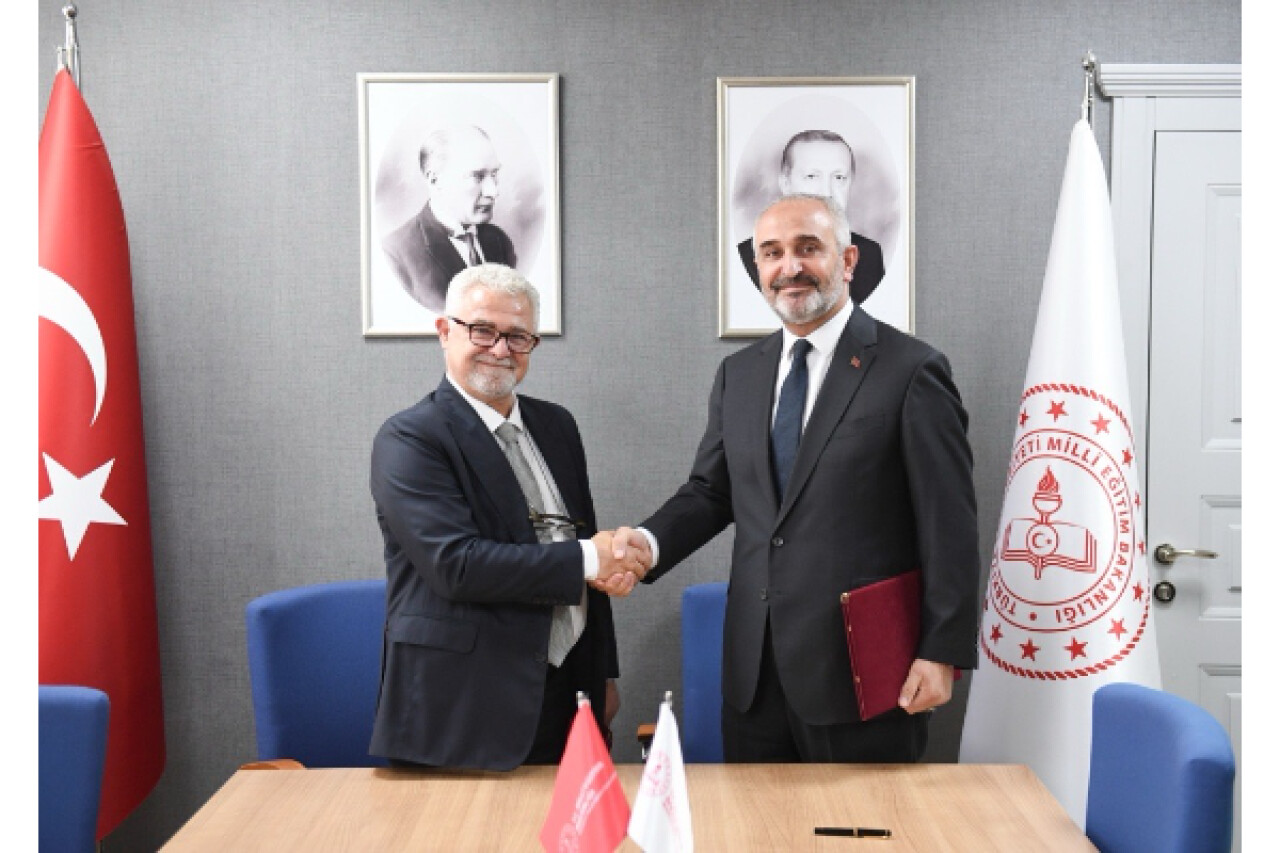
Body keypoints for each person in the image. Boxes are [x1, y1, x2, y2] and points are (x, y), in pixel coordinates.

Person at [614, 194, 979, 763]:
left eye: (809, 248)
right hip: (754, 675)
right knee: (754, 819)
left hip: (864, 673)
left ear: (848, 260)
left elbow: (948, 525)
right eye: (772, 252)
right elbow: (712, 492)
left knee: (863, 820)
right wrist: (648, 542)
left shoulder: (912, 370)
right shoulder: (739, 374)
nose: (790, 267)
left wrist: (941, 651)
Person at [369, 263, 641, 769]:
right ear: (444, 331)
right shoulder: (409, 438)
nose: (500, 349)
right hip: (464, 705)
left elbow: (583, 552)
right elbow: (457, 565)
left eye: (517, 336)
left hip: (570, 692)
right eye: (482, 330)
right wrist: (590, 557)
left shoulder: (557, 425)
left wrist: (602, 673)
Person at [736, 129, 886, 305]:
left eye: (839, 177)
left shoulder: (869, 256)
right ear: (785, 183)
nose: (827, 192)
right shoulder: (746, 258)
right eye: (811, 176)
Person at [382, 125, 518, 313]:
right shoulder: (396, 254)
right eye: (477, 176)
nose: (493, 191)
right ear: (435, 180)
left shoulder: (499, 241)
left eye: (494, 174)